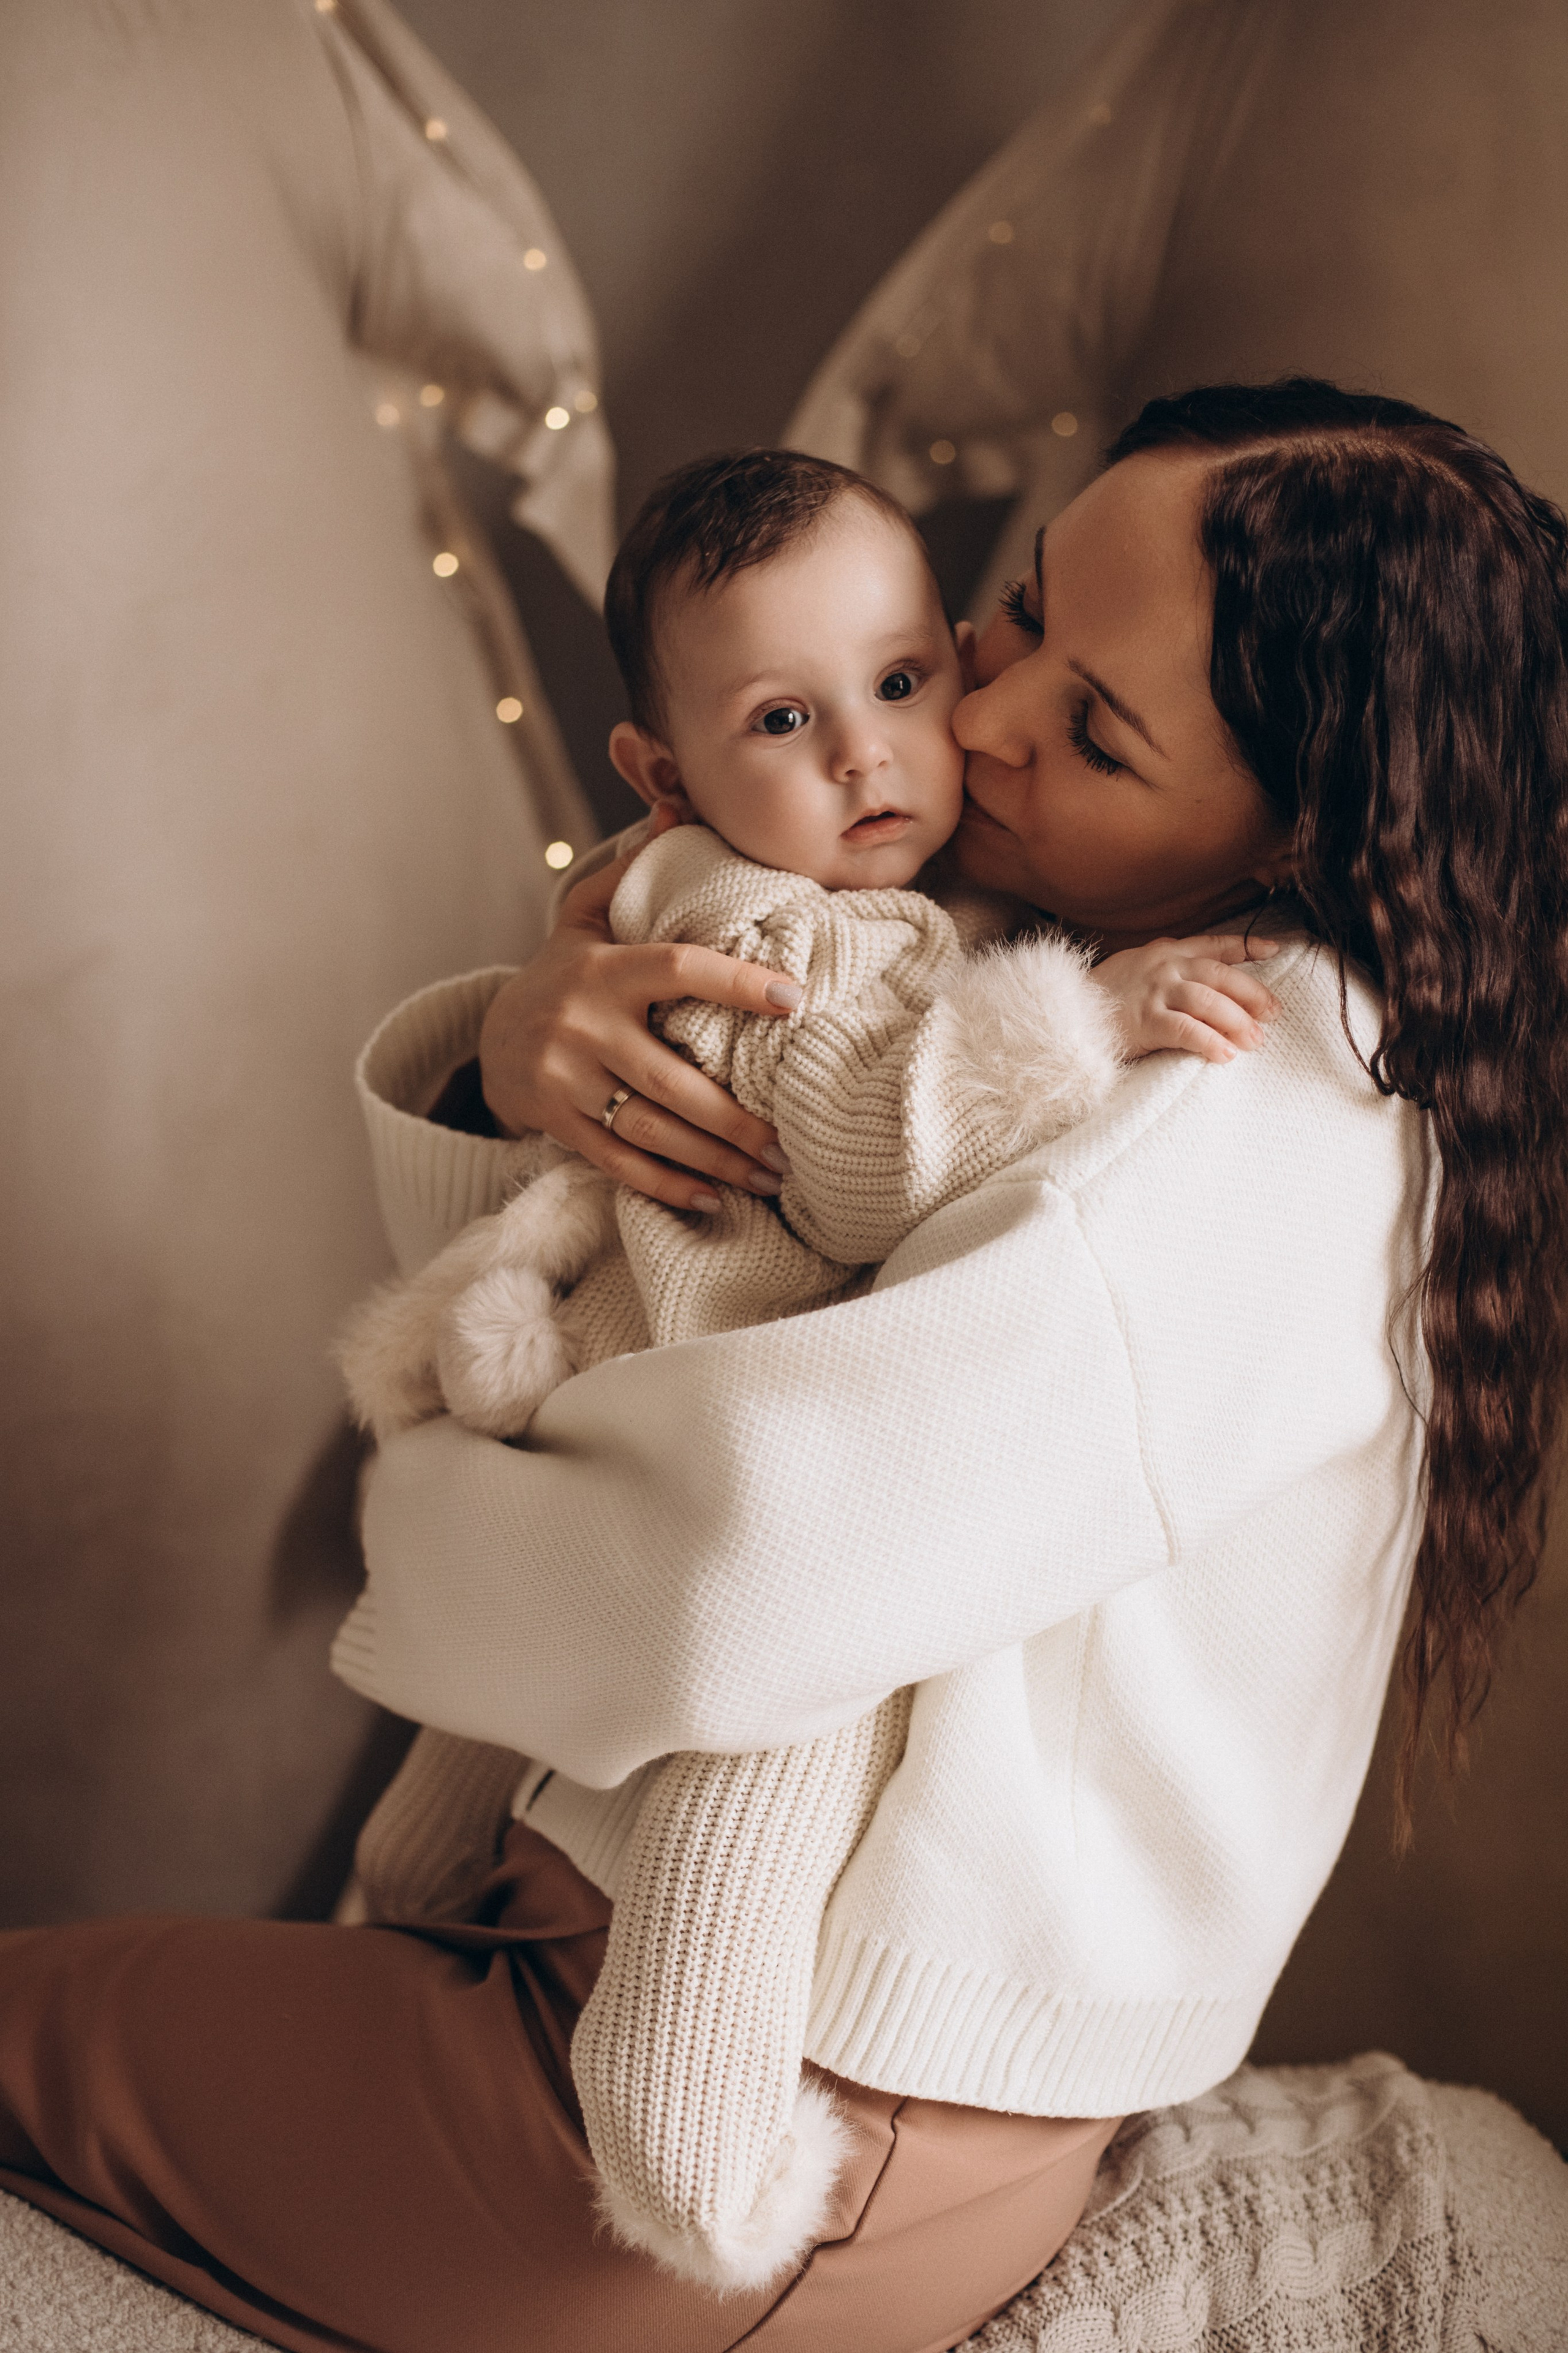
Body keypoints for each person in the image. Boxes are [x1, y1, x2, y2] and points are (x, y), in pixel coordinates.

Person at [3, 379, 1565, 2353]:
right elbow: (655, 1288)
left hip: (776, 2117)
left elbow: (723, 1574)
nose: (973, 721)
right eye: (1015, 614)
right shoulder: (1017, 932)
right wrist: (536, 1045)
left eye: (1093, 727)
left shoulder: (1229, 1091)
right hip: (681, 1983)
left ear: (1305, 829)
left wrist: (426, 1507)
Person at [337, 445, 1276, 2290]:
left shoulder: (763, 886)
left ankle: (405, 1891)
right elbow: (861, 1141)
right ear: (666, 775)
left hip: (634, 1418)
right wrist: (1078, 1023)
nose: (877, 755)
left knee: (486, 1726)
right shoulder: (780, 930)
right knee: (758, 1773)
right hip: (718, 1441)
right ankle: (688, 2143)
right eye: (790, 715)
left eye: (905, 680)